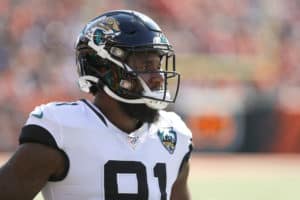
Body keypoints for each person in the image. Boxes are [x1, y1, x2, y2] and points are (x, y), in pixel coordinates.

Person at [0, 10, 193, 200]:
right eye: (145, 65)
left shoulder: (173, 134)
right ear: (104, 68)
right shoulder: (62, 129)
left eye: (158, 66)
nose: (159, 78)